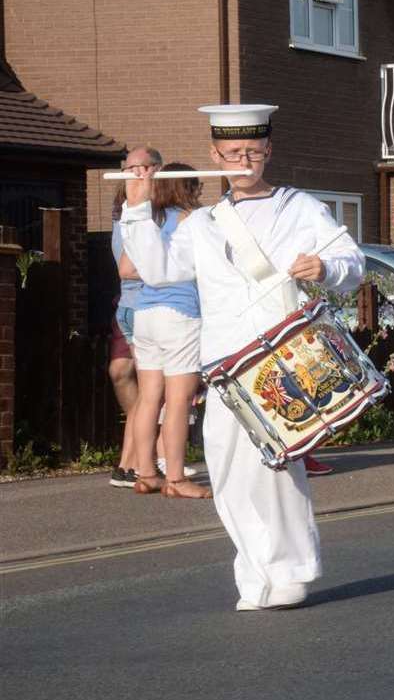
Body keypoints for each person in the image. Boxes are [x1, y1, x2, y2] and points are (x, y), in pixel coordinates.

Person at [120, 104, 364, 611]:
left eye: (253, 151)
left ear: (269, 151)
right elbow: (159, 270)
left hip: (283, 358)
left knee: (275, 468)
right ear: (215, 155)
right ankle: (254, 572)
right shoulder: (204, 222)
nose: (244, 160)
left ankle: (292, 569)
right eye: (232, 152)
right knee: (227, 468)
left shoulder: (299, 207)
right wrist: (138, 207)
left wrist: (325, 267)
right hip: (225, 364)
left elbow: (352, 262)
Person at [121, 165, 209, 498]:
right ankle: (176, 478)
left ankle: (145, 473)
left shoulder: (151, 221)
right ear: (189, 188)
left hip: (145, 313)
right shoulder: (196, 220)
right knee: (178, 401)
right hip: (181, 314)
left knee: (148, 398)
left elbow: (128, 268)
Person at [108, 149, 159, 489]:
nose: (138, 174)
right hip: (142, 307)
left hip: (138, 307)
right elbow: (127, 268)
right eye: (132, 169)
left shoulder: (146, 214)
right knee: (150, 391)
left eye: (143, 168)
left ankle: (134, 463)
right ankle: (133, 465)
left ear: (157, 170)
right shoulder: (135, 217)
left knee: (150, 390)